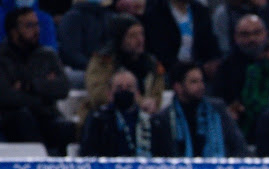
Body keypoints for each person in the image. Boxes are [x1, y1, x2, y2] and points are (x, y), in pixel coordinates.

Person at [0, 7, 75, 155]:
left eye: (37, 24)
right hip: (13, 118)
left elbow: (63, 88)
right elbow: (6, 96)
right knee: (24, 118)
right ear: (14, 31)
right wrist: (44, 94)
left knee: (68, 128)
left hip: (46, 116)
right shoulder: (2, 58)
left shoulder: (47, 55)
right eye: (29, 26)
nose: (36, 30)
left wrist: (28, 86)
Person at [82, 13, 166, 121]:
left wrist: (151, 104)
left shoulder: (152, 64)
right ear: (119, 38)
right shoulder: (103, 62)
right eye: (132, 36)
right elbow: (98, 96)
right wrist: (139, 102)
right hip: (107, 118)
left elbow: (156, 96)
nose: (140, 40)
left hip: (144, 118)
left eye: (141, 34)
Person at [158, 60, 249, 157]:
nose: (201, 86)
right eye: (194, 82)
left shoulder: (218, 110)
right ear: (178, 87)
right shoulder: (164, 118)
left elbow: (239, 146)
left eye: (201, 81)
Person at [209, 13, 269, 149]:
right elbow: (217, 101)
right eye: (245, 34)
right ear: (235, 37)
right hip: (239, 134)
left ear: (265, 34)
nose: (252, 39)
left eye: (256, 33)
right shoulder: (227, 67)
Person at [79, 69, 174, 157]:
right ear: (109, 94)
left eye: (129, 87)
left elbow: (165, 155)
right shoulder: (98, 120)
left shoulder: (153, 121)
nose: (124, 90)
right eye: (119, 87)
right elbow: (88, 152)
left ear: (137, 93)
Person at [142, 0, 221, 80]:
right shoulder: (156, 12)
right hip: (168, 72)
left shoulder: (200, 10)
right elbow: (159, 50)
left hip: (199, 70)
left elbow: (210, 43)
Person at [57, 0, 113, 73]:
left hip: (105, 67)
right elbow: (71, 52)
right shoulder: (72, 17)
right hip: (80, 69)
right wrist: (93, 67)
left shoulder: (107, 15)